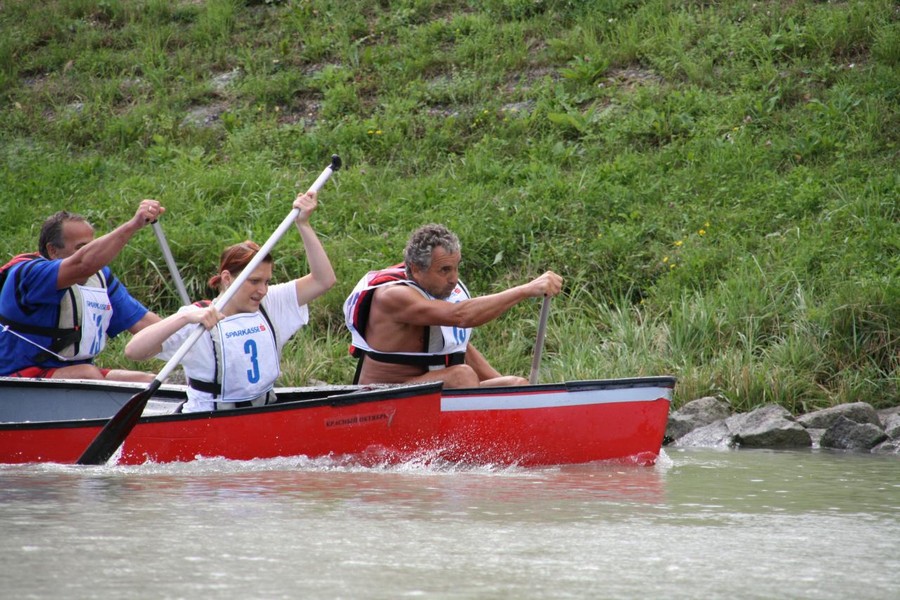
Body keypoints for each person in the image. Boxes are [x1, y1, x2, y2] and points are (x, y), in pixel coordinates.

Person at [125, 191, 335, 413]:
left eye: (266, 281)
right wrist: (183, 317)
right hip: (207, 421)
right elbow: (133, 351)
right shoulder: (197, 318)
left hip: (262, 415)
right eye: (254, 281)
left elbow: (323, 280)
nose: (262, 290)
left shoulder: (270, 302)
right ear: (227, 278)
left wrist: (303, 224)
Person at [343, 223, 563, 388]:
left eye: (456, 268)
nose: (454, 279)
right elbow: (462, 316)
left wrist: (518, 394)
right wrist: (526, 290)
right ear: (416, 269)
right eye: (445, 270)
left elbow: (459, 348)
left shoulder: (434, 287)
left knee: (515, 385)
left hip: (426, 392)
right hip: (383, 395)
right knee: (461, 376)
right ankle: (475, 437)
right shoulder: (393, 296)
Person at [0, 200, 164, 382]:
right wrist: (133, 225)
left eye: (92, 246)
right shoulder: (30, 274)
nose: (91, 253)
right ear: (52, 251)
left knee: (148, 381)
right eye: (81, 248)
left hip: (72, 374)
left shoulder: (99, 278)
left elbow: (142, 321)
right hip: (17, 376)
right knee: (88, 374)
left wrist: (186, 325)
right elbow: (84, 263)